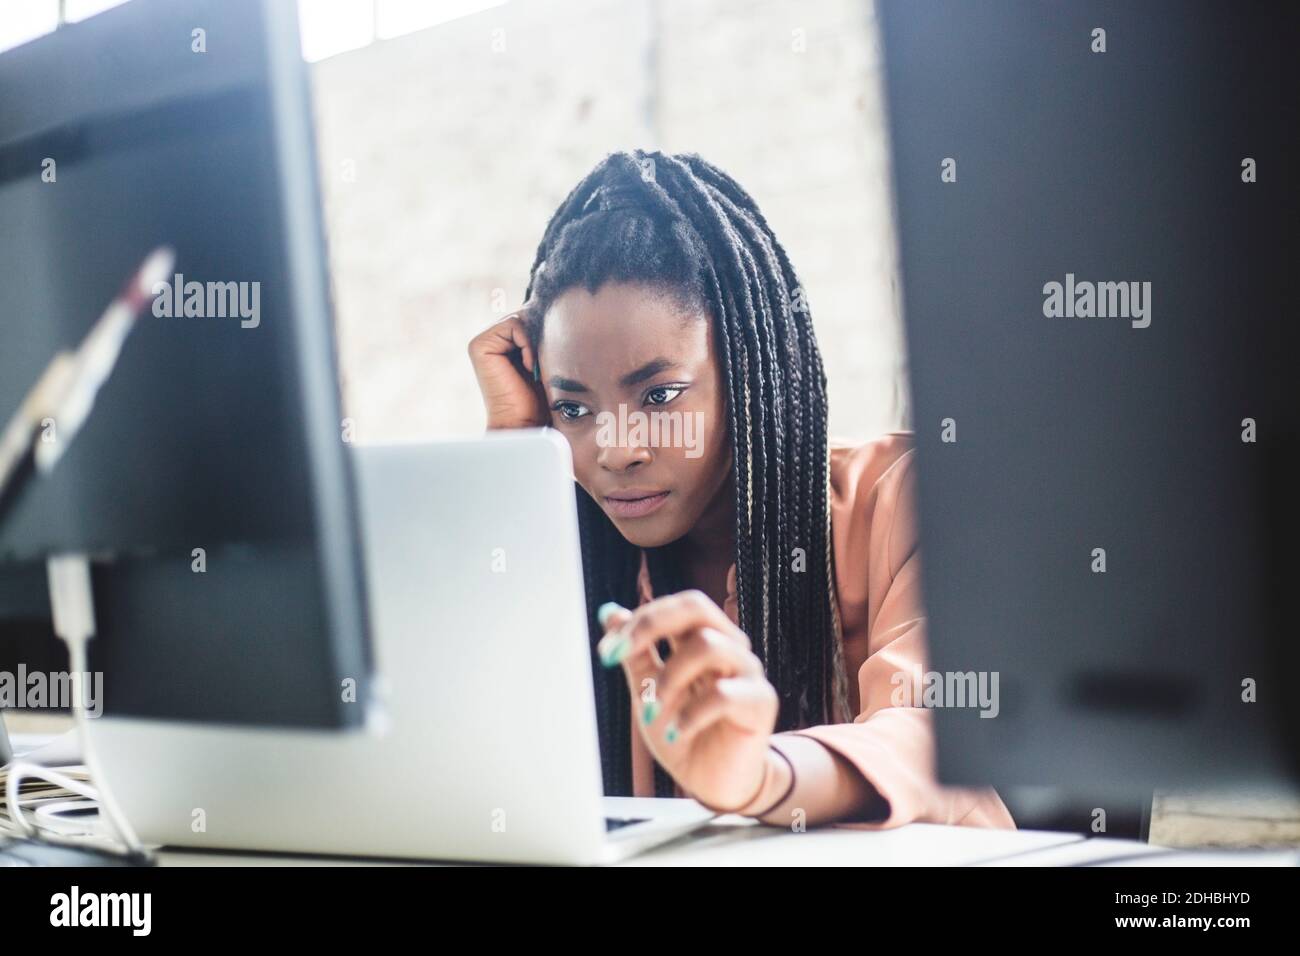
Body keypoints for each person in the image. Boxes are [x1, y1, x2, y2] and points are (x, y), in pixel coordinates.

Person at [468, 150, 1014, 829]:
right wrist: (517, 457)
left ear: (749, 372)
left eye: (659, 395)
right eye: (573, 408)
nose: (615, 450)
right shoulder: (585, 557)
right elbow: (479, 752)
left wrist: (759, 774)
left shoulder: (906, 498)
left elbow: (931, 734)